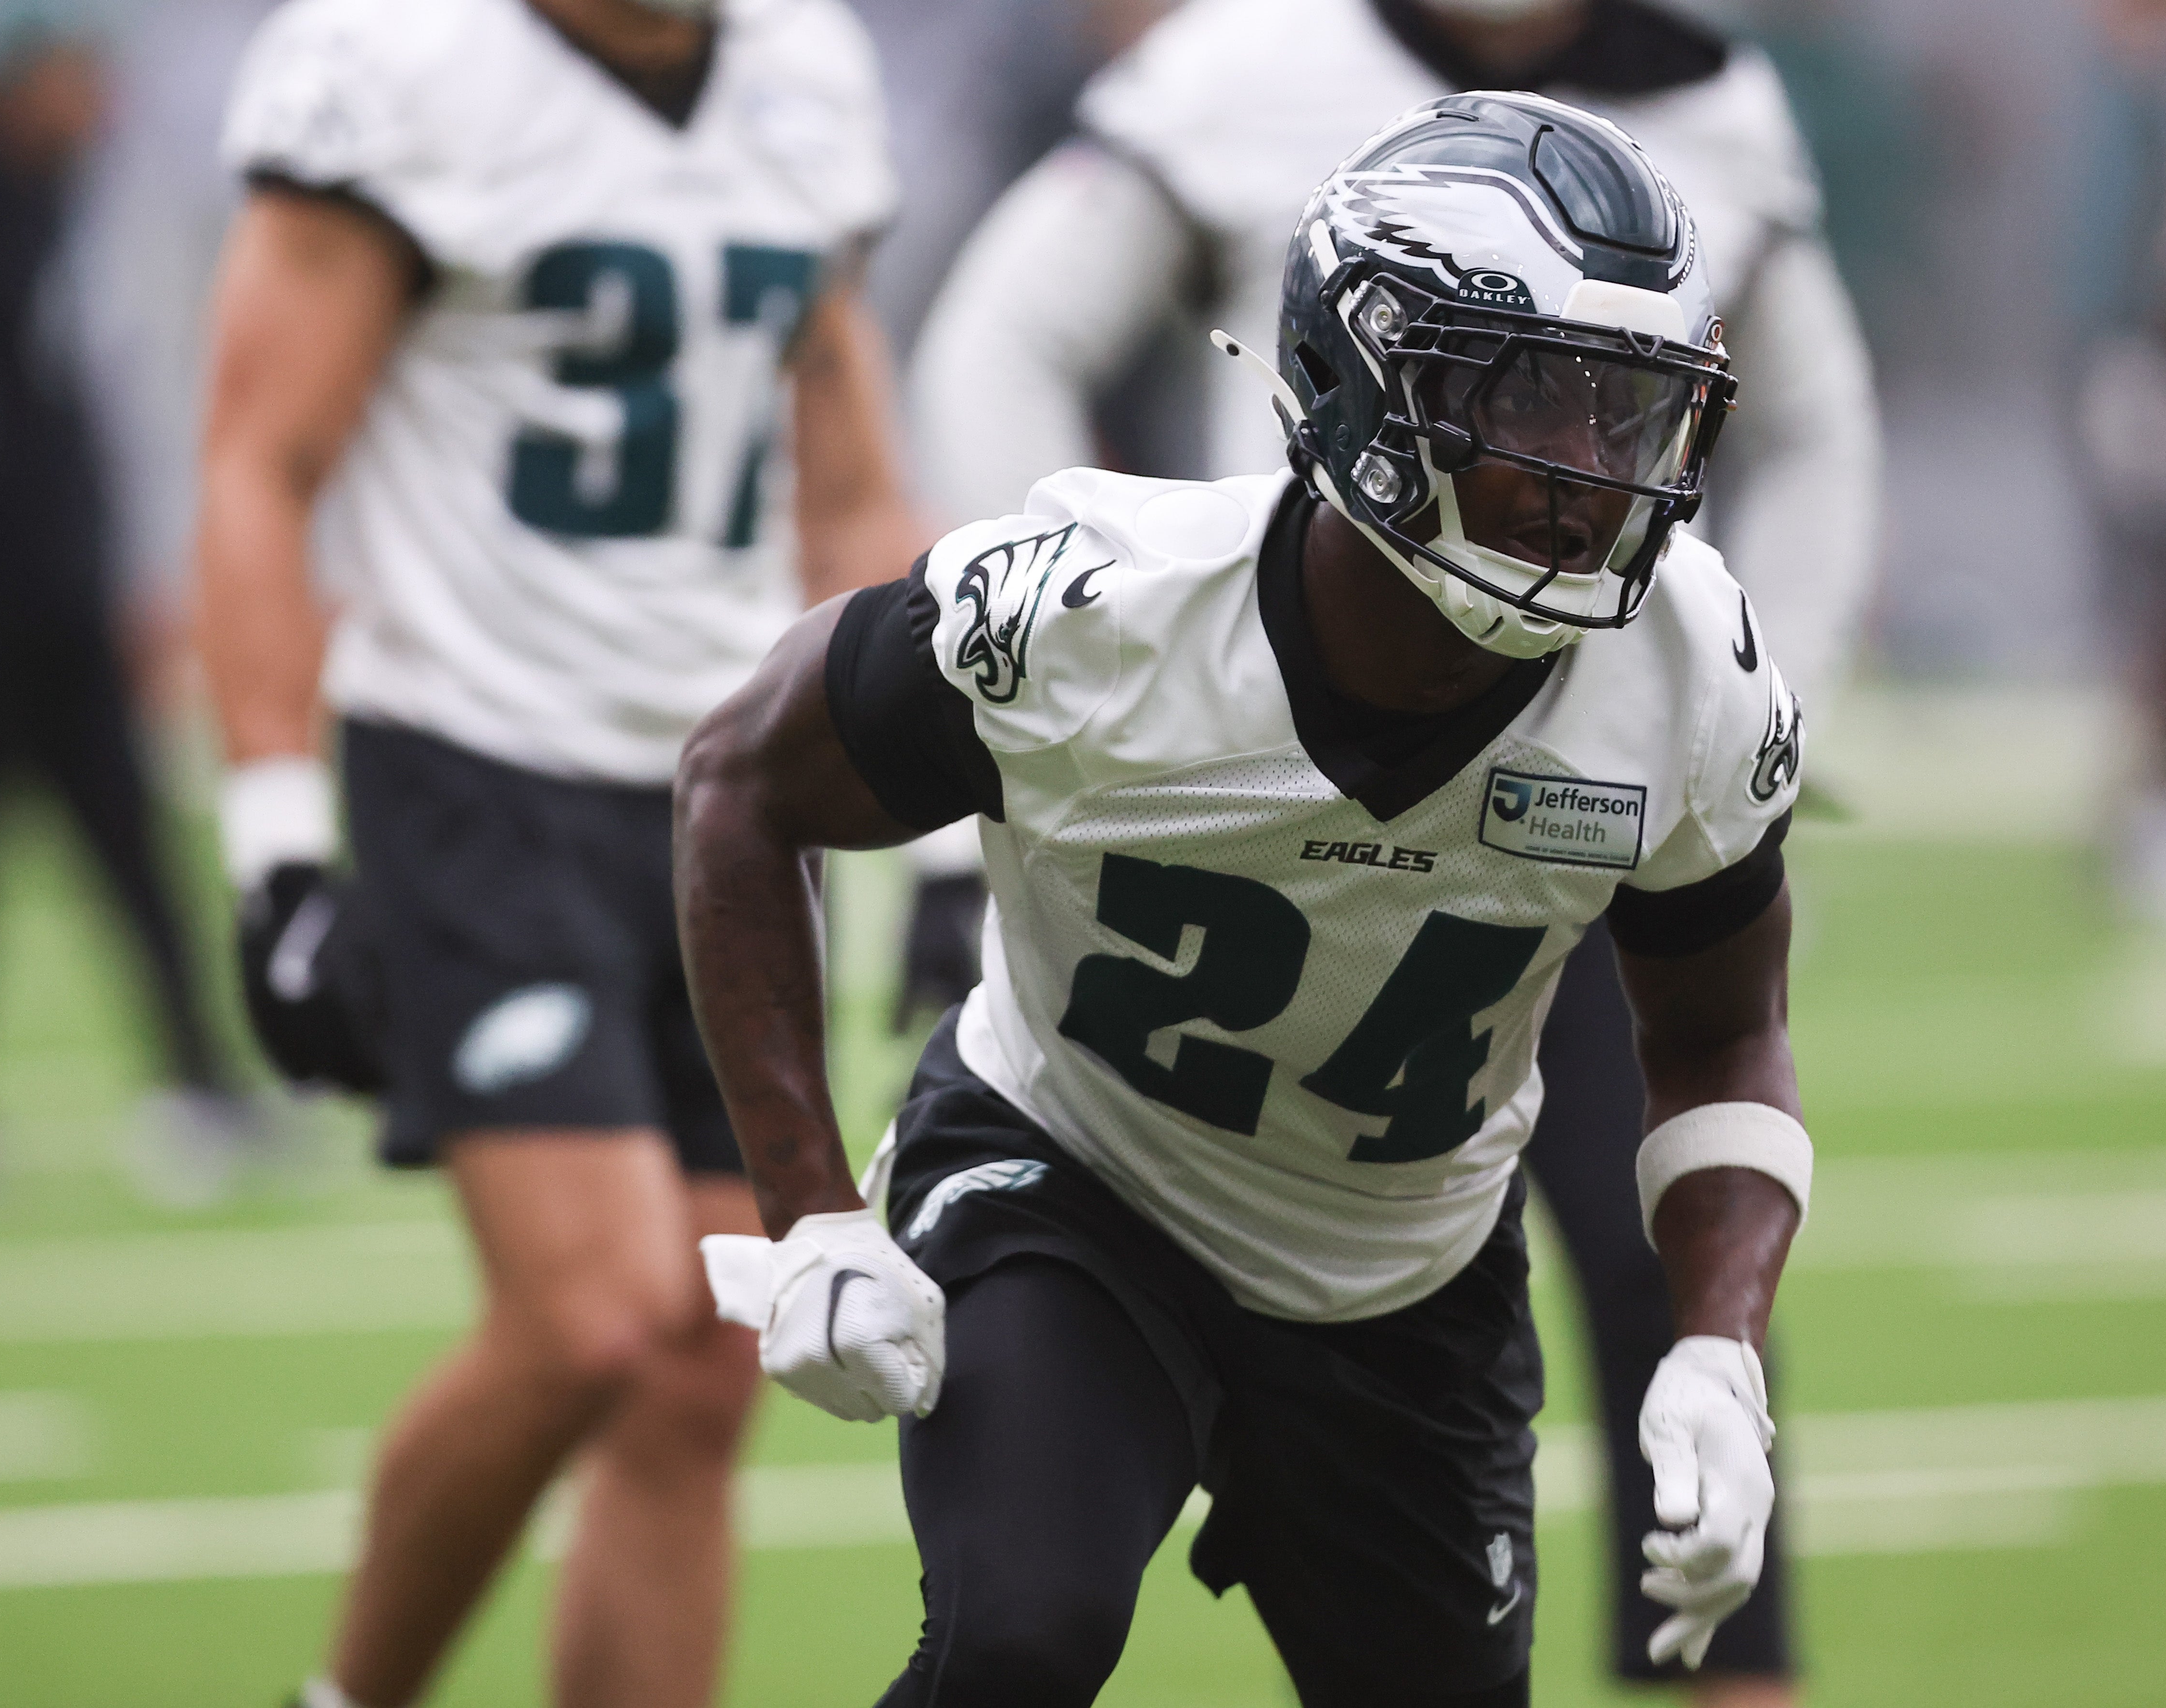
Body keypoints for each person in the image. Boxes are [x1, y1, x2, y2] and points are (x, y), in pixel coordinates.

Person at [686, 93, 1810, 1708]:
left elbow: (1718, 1035)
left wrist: (1715, 1348)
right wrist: (807, 1215)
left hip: (1406, 1275)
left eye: (1626, 414)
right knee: (1021, 1632)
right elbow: (740, 783)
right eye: (1530, 400)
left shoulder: (1690, 671)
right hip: (1078, 1180)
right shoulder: (1100, 612)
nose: (1585, 476)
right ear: (1367, 380)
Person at [192, 0, 917, 1700]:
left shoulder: (804, 67)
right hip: (478, 761)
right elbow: (259, 459)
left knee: (702, 1368)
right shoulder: (399, 64)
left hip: (735, 788)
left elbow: (846, 485)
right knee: (590, 1318)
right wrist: (277, 841)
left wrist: (948, 835)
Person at [0, 24, 258, 1199]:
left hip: (58, 605)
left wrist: (125, 577)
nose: (100, 105)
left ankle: (202, 1085)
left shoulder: (72, 196)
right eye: (80, 80)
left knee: (134, 855)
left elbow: (90, 411)